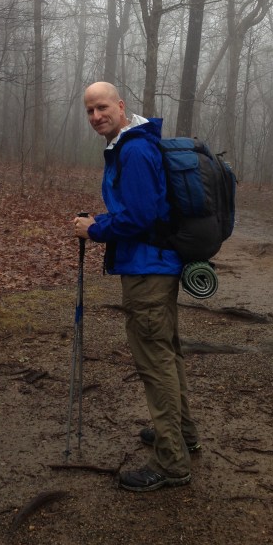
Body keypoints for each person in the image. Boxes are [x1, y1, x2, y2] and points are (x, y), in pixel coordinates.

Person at [73, 81, 200, 492]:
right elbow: (140, 210)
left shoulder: (136, 150)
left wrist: (95, 228)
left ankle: (171, 462)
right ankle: (183, 435)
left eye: (102, 107)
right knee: (166, 352)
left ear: (121, 106)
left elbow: (140, 217)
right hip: (155, 264)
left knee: (154, 362)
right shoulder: (133, 145)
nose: (96, 117)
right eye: (90, 111)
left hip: (149, 269)